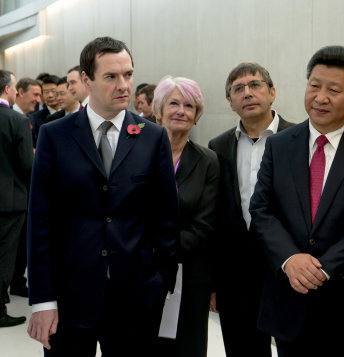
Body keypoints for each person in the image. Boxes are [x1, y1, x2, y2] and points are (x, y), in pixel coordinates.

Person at [26, 36, 180, 357]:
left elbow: (166, 216)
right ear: (87, 80)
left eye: (128, 74)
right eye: (111, 76)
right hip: (69, 297)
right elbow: (40, 221)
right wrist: (43, 300)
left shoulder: (152, 137)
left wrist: (161, 282)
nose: (123, 85)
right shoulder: (55, 135)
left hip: (136, 296)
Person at [249, 45, 344, 356]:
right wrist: (291, 259)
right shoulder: (278, 145)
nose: (321, 97)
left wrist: (322, 268)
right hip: (290, 303)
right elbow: (261, 210)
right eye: (314, 85)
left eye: (334, 89)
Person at [208, 62, 294, 357]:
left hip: (289, 270)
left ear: (272, 93)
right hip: (236, 276)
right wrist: (215, 281)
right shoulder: (217, 147)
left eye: (255, 85)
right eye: (238, 89)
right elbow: (216, 219)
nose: (247, 93)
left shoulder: (300, 139)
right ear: (230, 101)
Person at [152, 75, 219, 357]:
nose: (181, 111)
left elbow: (205, 225)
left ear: (196, 116)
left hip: (190, 276)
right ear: (159, 110)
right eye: (174, 103)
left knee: (187, 348)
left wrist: (160, 248)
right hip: (142, 271)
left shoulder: (208, 161)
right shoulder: (137, 153)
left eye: (189, 106)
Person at [0, 69, 33, 327]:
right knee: (5, 256)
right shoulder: (17, 120)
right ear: (8, 89)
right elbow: (26, 163)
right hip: (10, 200)